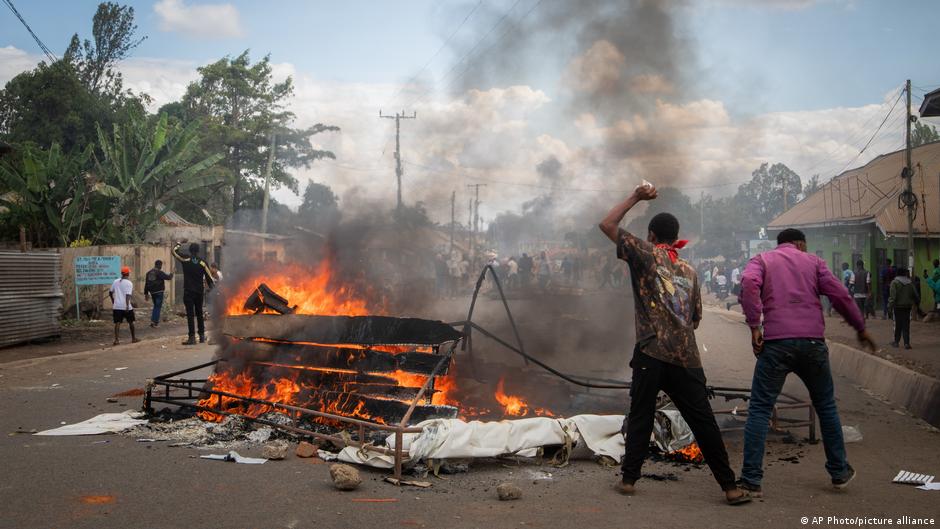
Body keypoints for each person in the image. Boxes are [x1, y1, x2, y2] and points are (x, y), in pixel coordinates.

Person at [598, 183, 750, 505]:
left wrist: (636, 197)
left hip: (651, 352)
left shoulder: (643, 253)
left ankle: (628, 481)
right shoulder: (690, 271)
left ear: (652, 235)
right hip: (686, 357)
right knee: (703, 421)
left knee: (641, 414)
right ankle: (730, 487)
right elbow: (695, 318)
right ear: (674, 236)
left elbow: (607, 225)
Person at [738, 228, 875, 497]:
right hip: (813, 344)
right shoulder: (814, 262)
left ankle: (752, 478)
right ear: (800, 243)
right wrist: (860, 327)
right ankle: (839, 472)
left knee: (760, 408)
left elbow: (748, 283)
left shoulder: (762, 260)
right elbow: (840, 295)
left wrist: (755, 326)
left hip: (776, 344)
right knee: (825, 406)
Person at [172, 242, 214, 345]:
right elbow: (209, 278)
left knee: (190, 315)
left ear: (190, 250)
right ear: (198, 251)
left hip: (188, 291)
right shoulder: (202, 262)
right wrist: (214, 291)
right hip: (199, 292)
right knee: (199, 313)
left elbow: (174, 252)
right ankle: (202, 336)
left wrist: (178, 243)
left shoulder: (186, 259)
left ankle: (192, 338)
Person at [109, 266, 139, 345]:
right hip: (126, 306)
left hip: (117, 306)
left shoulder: (115, 281)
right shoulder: (129, 283)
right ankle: (133, 338)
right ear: (128, 273)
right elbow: (128, 295)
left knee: (117, 323)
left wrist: (113, 301)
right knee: (131, 322)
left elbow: (110, 292)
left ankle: (116, 340)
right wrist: (126, 306)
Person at [888, 268, 916, 349]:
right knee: (906, 325)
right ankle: (907, 343)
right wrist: (916, 302)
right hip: (907, 307)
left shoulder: (894, 282)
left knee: (898, 325)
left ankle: (896, 342)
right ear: (904, 274)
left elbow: (892, 297)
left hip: (898, 307)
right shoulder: (909, 283)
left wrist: (889, 308)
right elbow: (915, 294)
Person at [143, 260, 173, 327]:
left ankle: (153, 321)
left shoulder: (148, 273)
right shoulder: (159, 272)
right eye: (161, 265)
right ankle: (154, 322)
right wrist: (172, 273)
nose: (161, 267)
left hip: (152, 292)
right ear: (159, 265)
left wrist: (146, 293)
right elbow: (168, 277)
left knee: (156, 306)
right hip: (159, 292)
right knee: (157, 307)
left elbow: (146, 284)